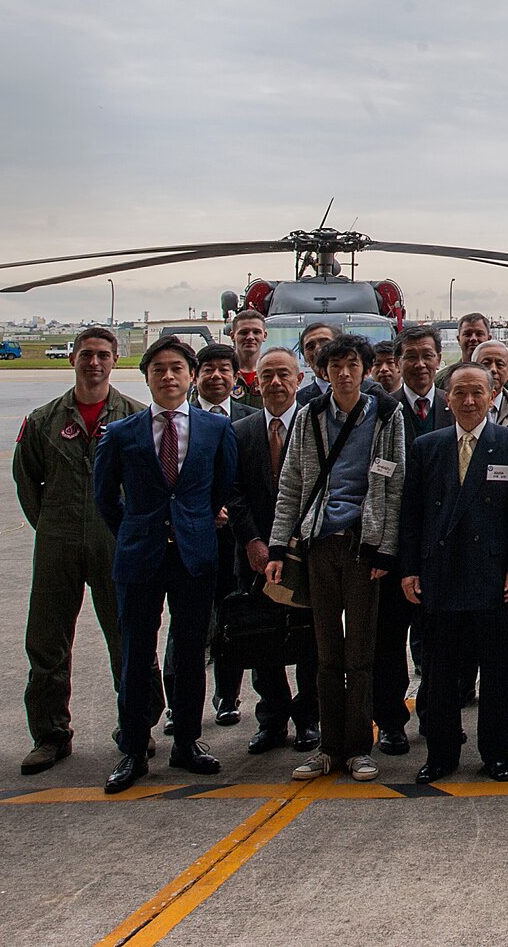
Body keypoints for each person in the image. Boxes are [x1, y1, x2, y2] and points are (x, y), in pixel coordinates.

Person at [93, 336, 241, 794]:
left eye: (177, 368)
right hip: (140, 554)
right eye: (159, 369)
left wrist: (193, 523)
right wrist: (138, 530)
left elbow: (223, 487)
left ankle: (187, 743)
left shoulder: (216, 431)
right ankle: (134, 748)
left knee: (193, 651)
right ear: (147, 378)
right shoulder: (122, 433)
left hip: (194, 555)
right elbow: (104, 499)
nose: (169, 376)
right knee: (137, 654)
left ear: (191, 376)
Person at [267, 334, 407, 783]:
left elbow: (395, 484)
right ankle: (329, 748)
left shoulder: (387, 415)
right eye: (335, 365)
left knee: (361, 652)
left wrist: (385, 547)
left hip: (361, 546)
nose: (344, 373)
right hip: (318, 545)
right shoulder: (308, 417)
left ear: (366, 370)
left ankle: (359, 748)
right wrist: (276, 545)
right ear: (321, 371)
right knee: (326, 652)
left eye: (352, 365)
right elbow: (291, 484)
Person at [13, 326, 147, 775]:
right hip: (57, 543)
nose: (94, 363)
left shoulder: (135, 417)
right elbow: (27, 483)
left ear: (115, 360)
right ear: (73, 358)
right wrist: (53, 524)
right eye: (87, 354)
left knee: (129, 639)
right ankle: (50, 734)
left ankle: (138, 728)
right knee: (47, 642)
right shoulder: (42, 420)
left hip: (117, 544)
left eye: (103, 355)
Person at [401, 362, 508, 783]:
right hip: (440, 574)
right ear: (448, 398)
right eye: (460, 392)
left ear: (493, 394)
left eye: (477, 391)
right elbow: (412, 515)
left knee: (496, 671)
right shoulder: (428, 447)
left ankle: (496, 754)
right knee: (439, 672)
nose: (469, 400)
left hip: (491, 576)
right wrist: (409, 569)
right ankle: (442, 754)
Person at [225, 348, 320, 755]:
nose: (276, 383)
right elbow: (233, 491)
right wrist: (252, 540)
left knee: (310, 641)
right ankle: (272, 719)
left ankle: (309, 719)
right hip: (255, 553)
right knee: (262, 639)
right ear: (255, 382)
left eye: (284, 375)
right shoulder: (240, 431)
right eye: (267, 376)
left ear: (299, 379)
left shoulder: (317, 425)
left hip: (307, 552)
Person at [372, 326, 453, 758]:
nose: (419, 364)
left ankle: (435, 715)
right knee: (388, 642)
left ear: (439, 359)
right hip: (392, 548)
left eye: (427, 355)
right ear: (398, 362)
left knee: (440, 642)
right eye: (410, 356)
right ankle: (390, 722)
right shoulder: (380, 412)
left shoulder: (456, 404)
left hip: (440, 549)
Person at [187, 341, 254, 729]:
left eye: (223, 370)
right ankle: (182, 707)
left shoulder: (250, 417)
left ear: (235, 377)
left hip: (241, 538)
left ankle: (228, 696)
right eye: (207, 369)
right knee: (189, 624)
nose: (216, 376)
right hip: (196, 536)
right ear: (196, 376)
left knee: (237, 621)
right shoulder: (181, 418)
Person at [436, 313, 493, 390]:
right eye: (467, 334)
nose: (473, 338)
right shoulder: (443, 379)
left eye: (479, 334)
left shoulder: (497, 376)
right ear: (458, 339)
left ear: (489, 339)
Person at [293, 322, 340, 407]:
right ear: (305, 359)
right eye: (310, 347)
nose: (318, 349)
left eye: (325, 343)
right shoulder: (297, 401)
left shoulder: (367, 391)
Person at [229, 309, 269, 408]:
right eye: (244, 332)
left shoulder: (272, 374)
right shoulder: (223, 374)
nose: (250, 337)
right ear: (232, 336)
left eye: (256, 332)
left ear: (264, 336)